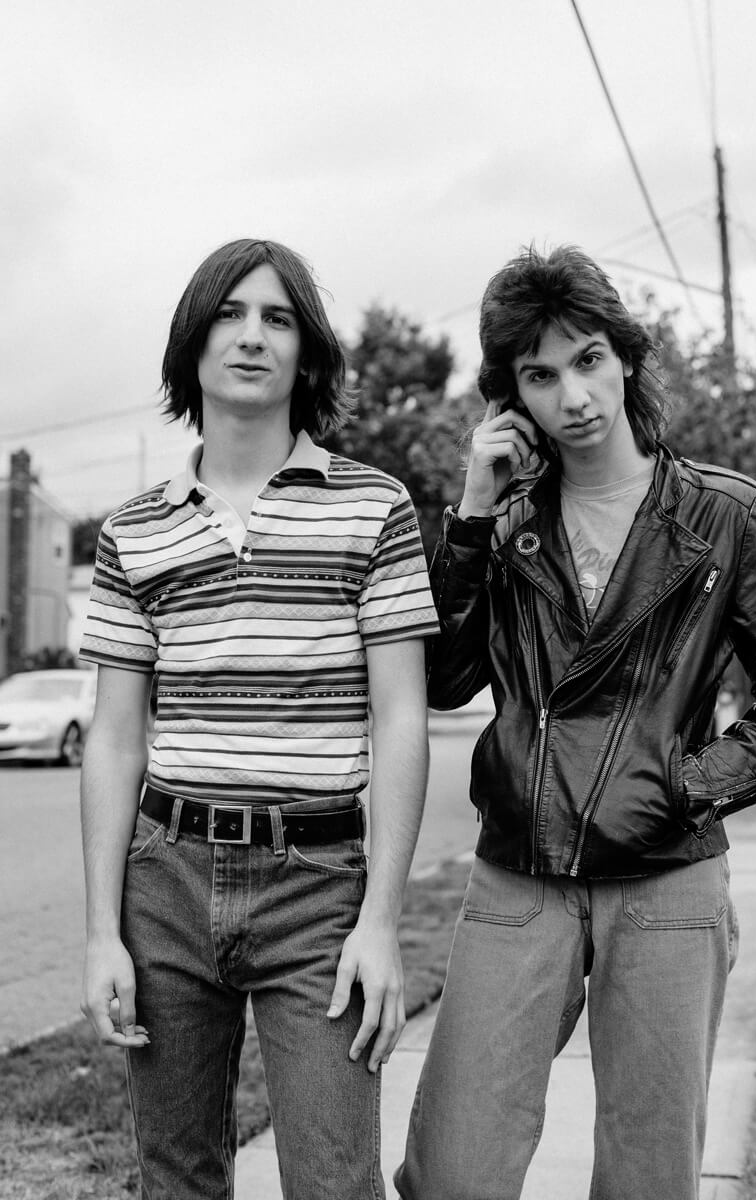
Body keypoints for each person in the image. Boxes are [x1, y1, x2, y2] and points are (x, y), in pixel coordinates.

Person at [395, 245, 756, 1200]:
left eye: (588, 359)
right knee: (453, 1173)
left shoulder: (724, 517)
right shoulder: (505, 525)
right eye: (540, 375)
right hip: (520, 875)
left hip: (667, 878)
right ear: (512, 397)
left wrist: (680, 786)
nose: (574, 395)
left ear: (625, 356)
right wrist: (470, 514)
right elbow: (442, 679)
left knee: (649, 1178)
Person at [79, 238, 439, 1199]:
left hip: (315, 888)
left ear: (307, 354)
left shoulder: (375, 508)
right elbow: (113, 738)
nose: (252, 337)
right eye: (229, 315)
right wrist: (101, 932)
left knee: (334, 1180)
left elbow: (401, 718)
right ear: (191, 347)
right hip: (164, 881)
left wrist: (382, 921)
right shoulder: (133, 530)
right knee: (177, 1179)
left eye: (278, 319)